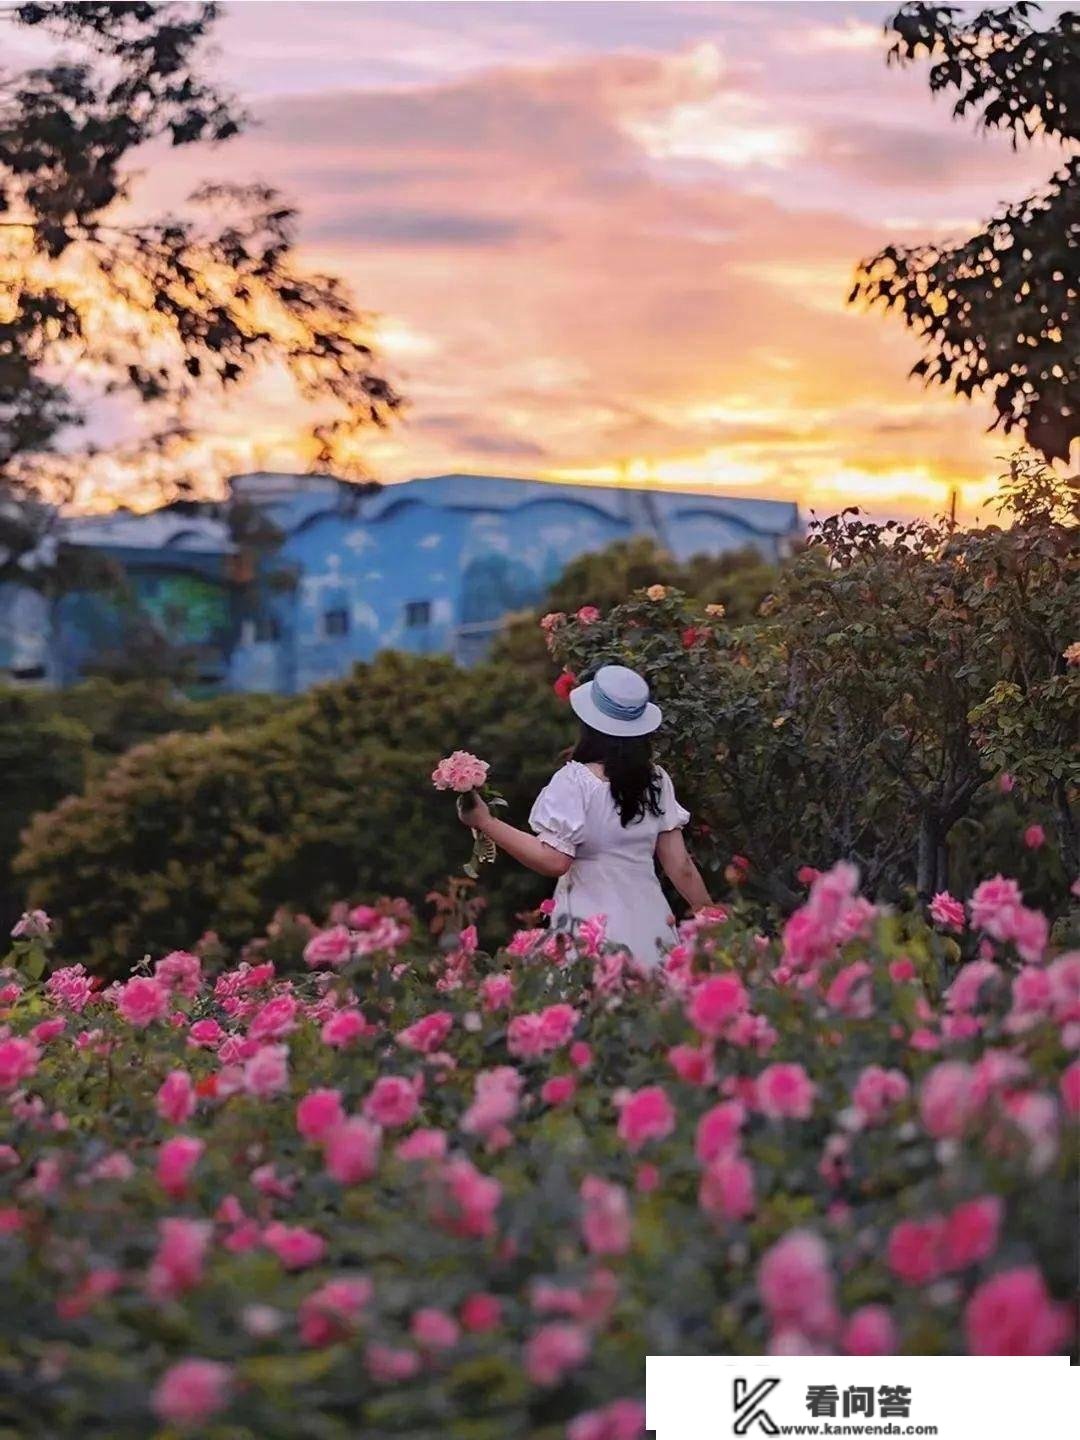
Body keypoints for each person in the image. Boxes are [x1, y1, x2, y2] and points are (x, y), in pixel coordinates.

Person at [458, 664, 712, 967]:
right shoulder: (656, 780)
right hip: (652, 924)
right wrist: (707, 911)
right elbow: (680, 865)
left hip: (590, 930)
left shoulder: (575, 781)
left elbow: (554, 860)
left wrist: (486, 822)